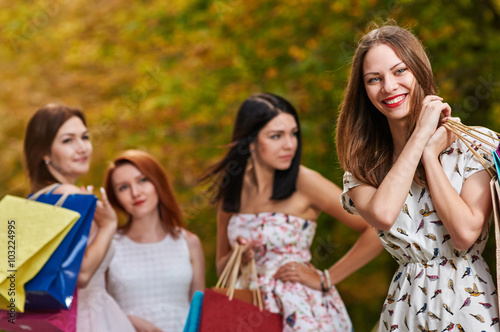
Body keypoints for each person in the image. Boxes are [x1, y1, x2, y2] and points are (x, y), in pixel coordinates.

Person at [336, 24, 499, 330]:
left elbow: (465, 235)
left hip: (469, 306)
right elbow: (383, 215)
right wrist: (420, 138)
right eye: (374, 79)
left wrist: (430, 158)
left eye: (400, 71)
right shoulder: (363, 168)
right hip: (404, 309)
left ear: (420, 71)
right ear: (364, 91)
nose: (388, 87)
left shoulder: (474, 145)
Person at [202, 92, 383, 331]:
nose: (289, 144)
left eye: (293, 133)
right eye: (276, 136)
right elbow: (221, 268)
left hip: (300, 311)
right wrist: (241, 255)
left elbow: (376, 227)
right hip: (245, 311)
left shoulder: (305, 181)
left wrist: (326, 278)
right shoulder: (232, 187)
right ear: (251, 141)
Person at [23, 103, 135, 332]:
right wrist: (109, 224)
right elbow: (82, 275)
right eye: (67, 140)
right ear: (45, 152)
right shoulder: (70, 196)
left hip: (50, 322)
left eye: (84, 137)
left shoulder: (34, 200)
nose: (82, 147)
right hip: (88, 319)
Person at [104, 149, 205, 332]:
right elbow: (97, 308)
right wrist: (130, 321)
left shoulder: (189, 242)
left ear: (158, 183)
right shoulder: (109, 245)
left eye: (143, 180)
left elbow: (200, 314)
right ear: (116, 197)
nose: (135, 192)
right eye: (123, 187)